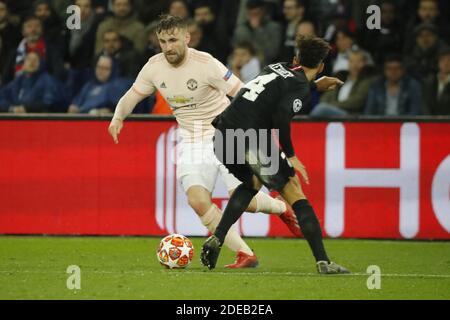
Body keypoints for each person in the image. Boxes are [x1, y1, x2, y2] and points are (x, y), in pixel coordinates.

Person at [108, 15, 302, 269]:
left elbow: (243, 92)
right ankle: (245, 254)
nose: (168, 47)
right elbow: (133, 94)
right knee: (198, 201)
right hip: (190, 141)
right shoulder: (154, 67)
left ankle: (281, 208)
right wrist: (118, 116)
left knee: (246, 201)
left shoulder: (206, 63)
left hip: (226, 134)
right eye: (163, 41)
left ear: (186, 38)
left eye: (173, 40)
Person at [200, 35, 350, 274]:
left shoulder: (275, 67)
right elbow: (281, 116)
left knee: (252, 183)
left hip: (222, 134)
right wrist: (290, 155)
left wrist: (314, 84)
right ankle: (324, 261)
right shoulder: (300, 87)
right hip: (250, 138)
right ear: (321, 66)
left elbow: (281, 87)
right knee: (293, 189)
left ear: (296, 58)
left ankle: (218, 237)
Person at [422, 46, 450, 115]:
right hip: (431, 122)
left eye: (449, 60)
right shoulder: (429, 82)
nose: (446, 63)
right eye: (442, 60)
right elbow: (425, 105)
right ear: (438, 62)